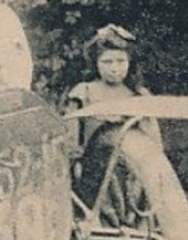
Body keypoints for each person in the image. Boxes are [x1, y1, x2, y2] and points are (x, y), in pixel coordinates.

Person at [63, 23, 160, 153]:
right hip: (93, 164)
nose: (114, 69)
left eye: (121, 61)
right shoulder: (83, 92)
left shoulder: (139, 95)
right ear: (95, 63)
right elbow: (71, 141)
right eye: (107, 62)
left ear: (130, 62)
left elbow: (153, 144)